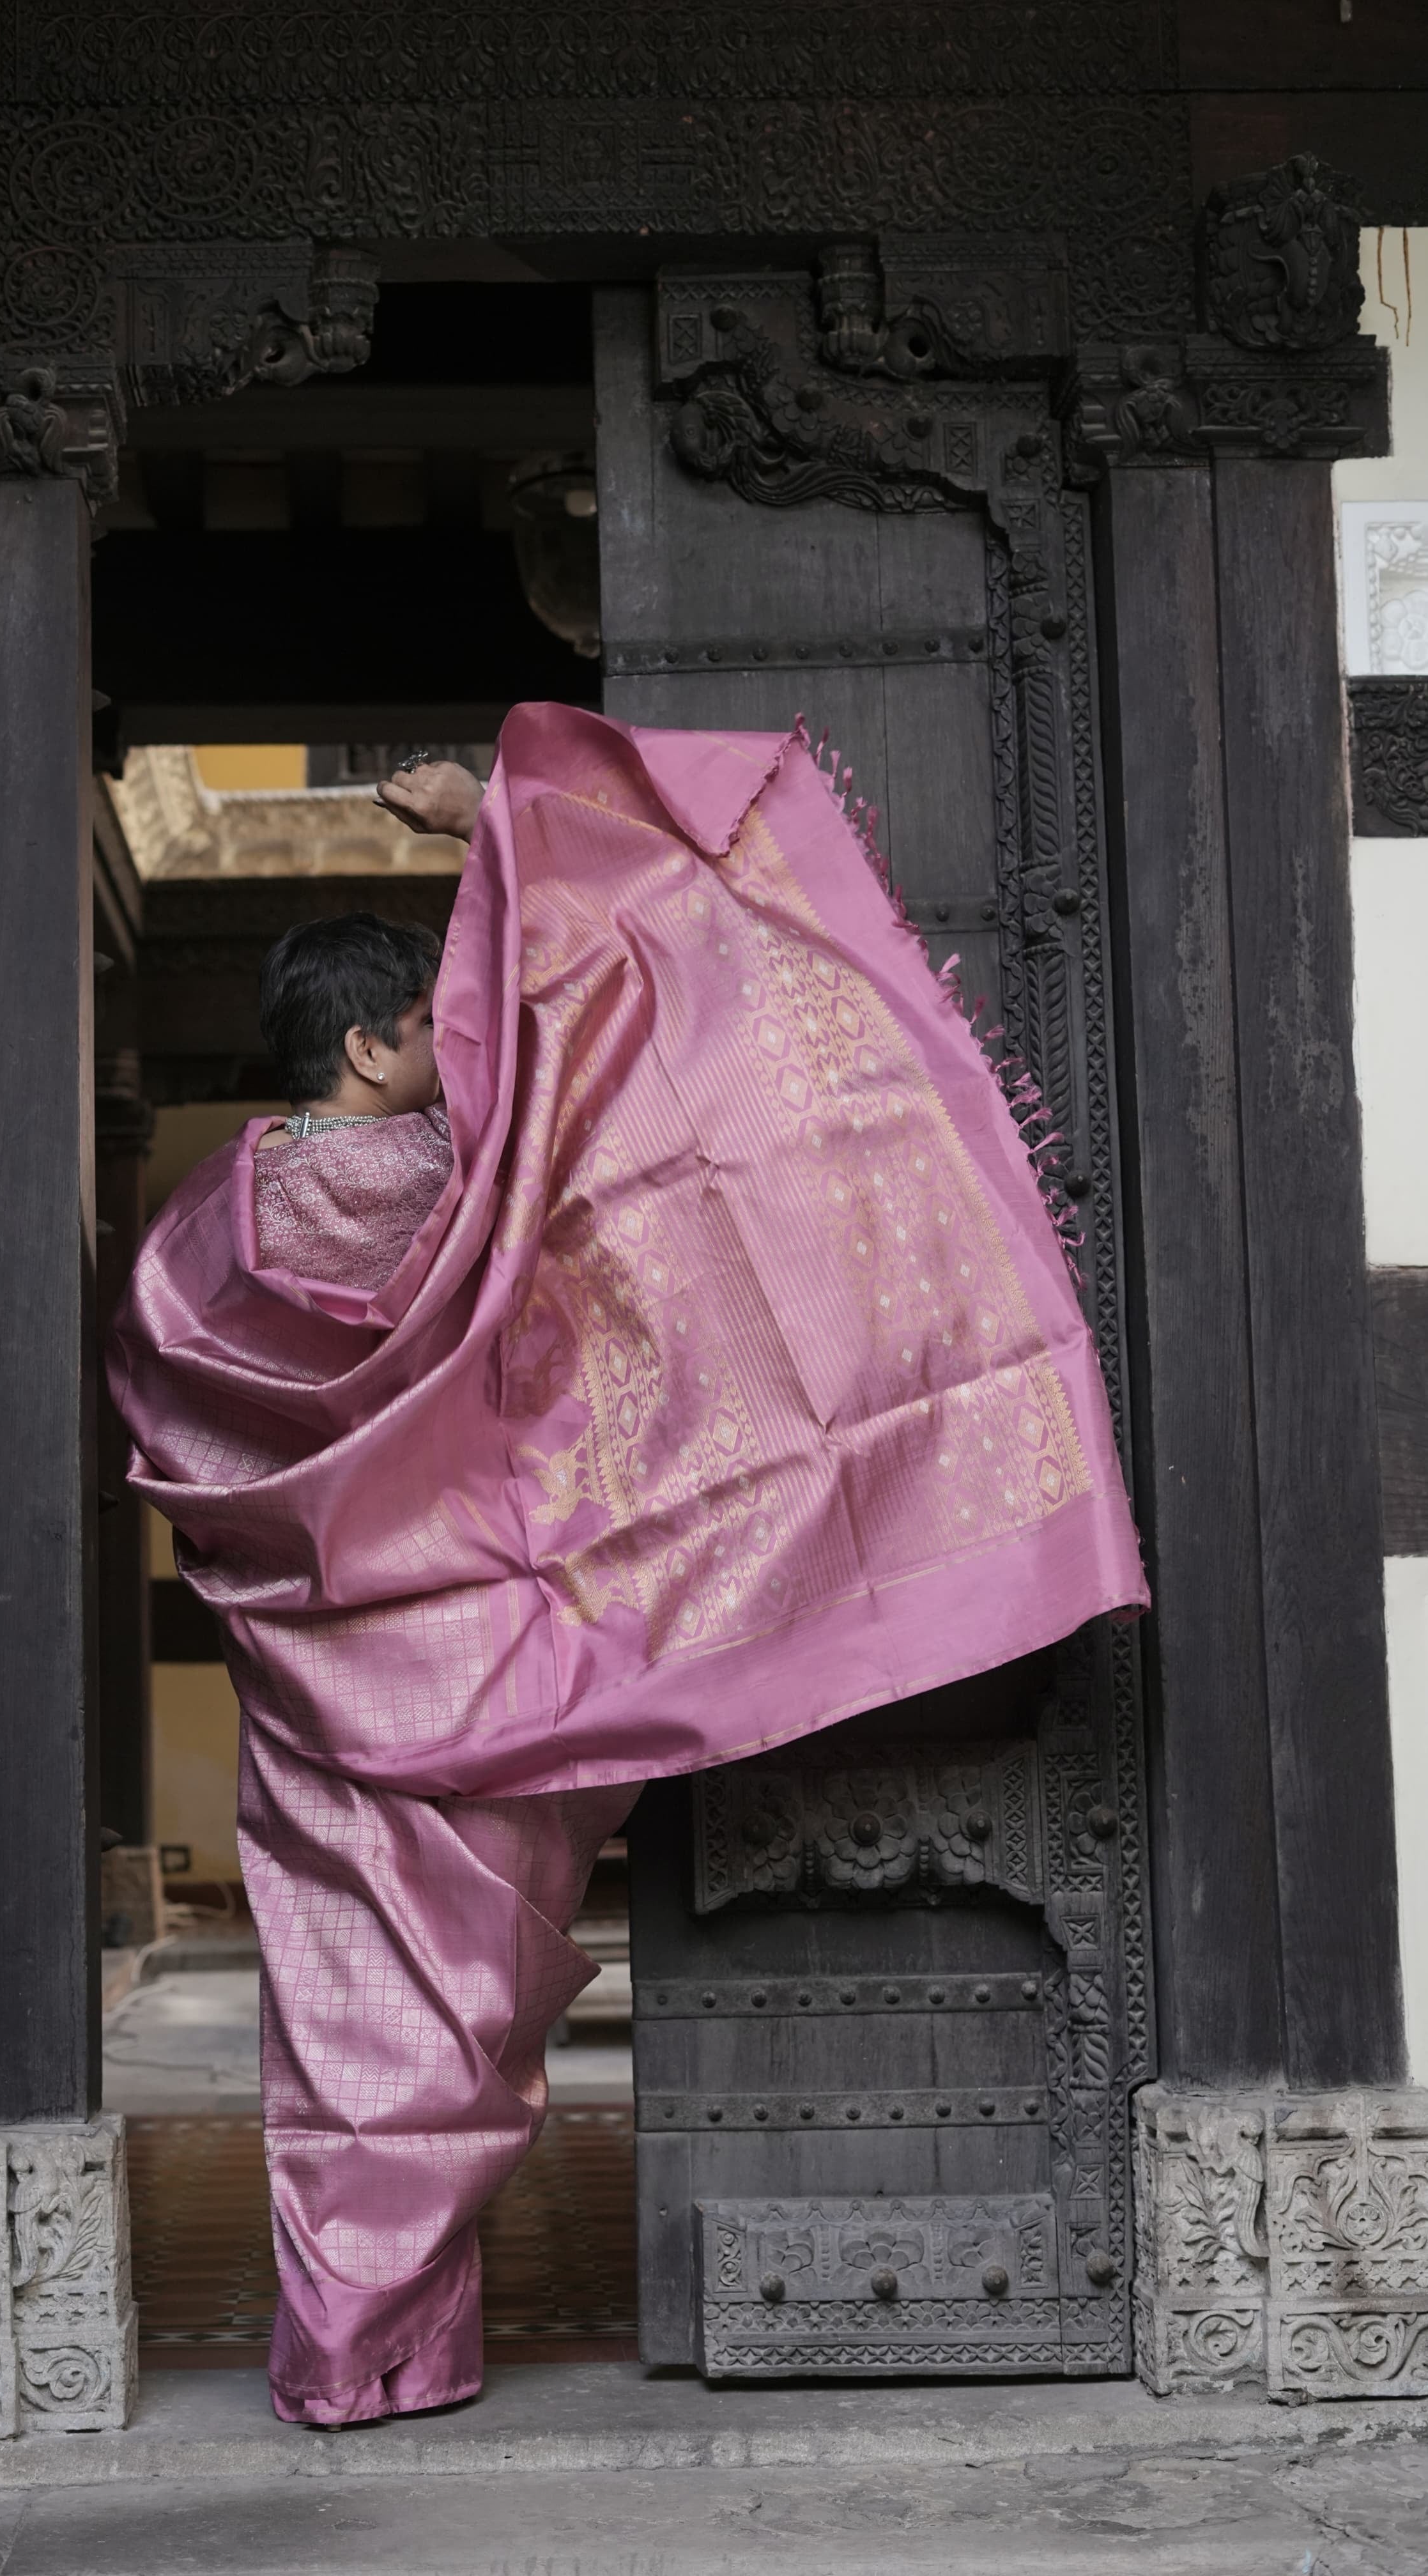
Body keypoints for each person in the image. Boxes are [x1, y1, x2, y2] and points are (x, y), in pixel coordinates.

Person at [109, 709, 1146, 2428]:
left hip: (320, 1691)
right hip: (503, 1675)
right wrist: (495, 823)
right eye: (424, 1034)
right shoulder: (474, 1187)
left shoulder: (195, 1239)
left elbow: (182, 1428)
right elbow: (620, 1073)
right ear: (374, 1050)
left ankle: (362, 2354)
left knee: (354, 2019)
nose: (452, 1055)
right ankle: (396, 2348)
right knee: (462, 2017)